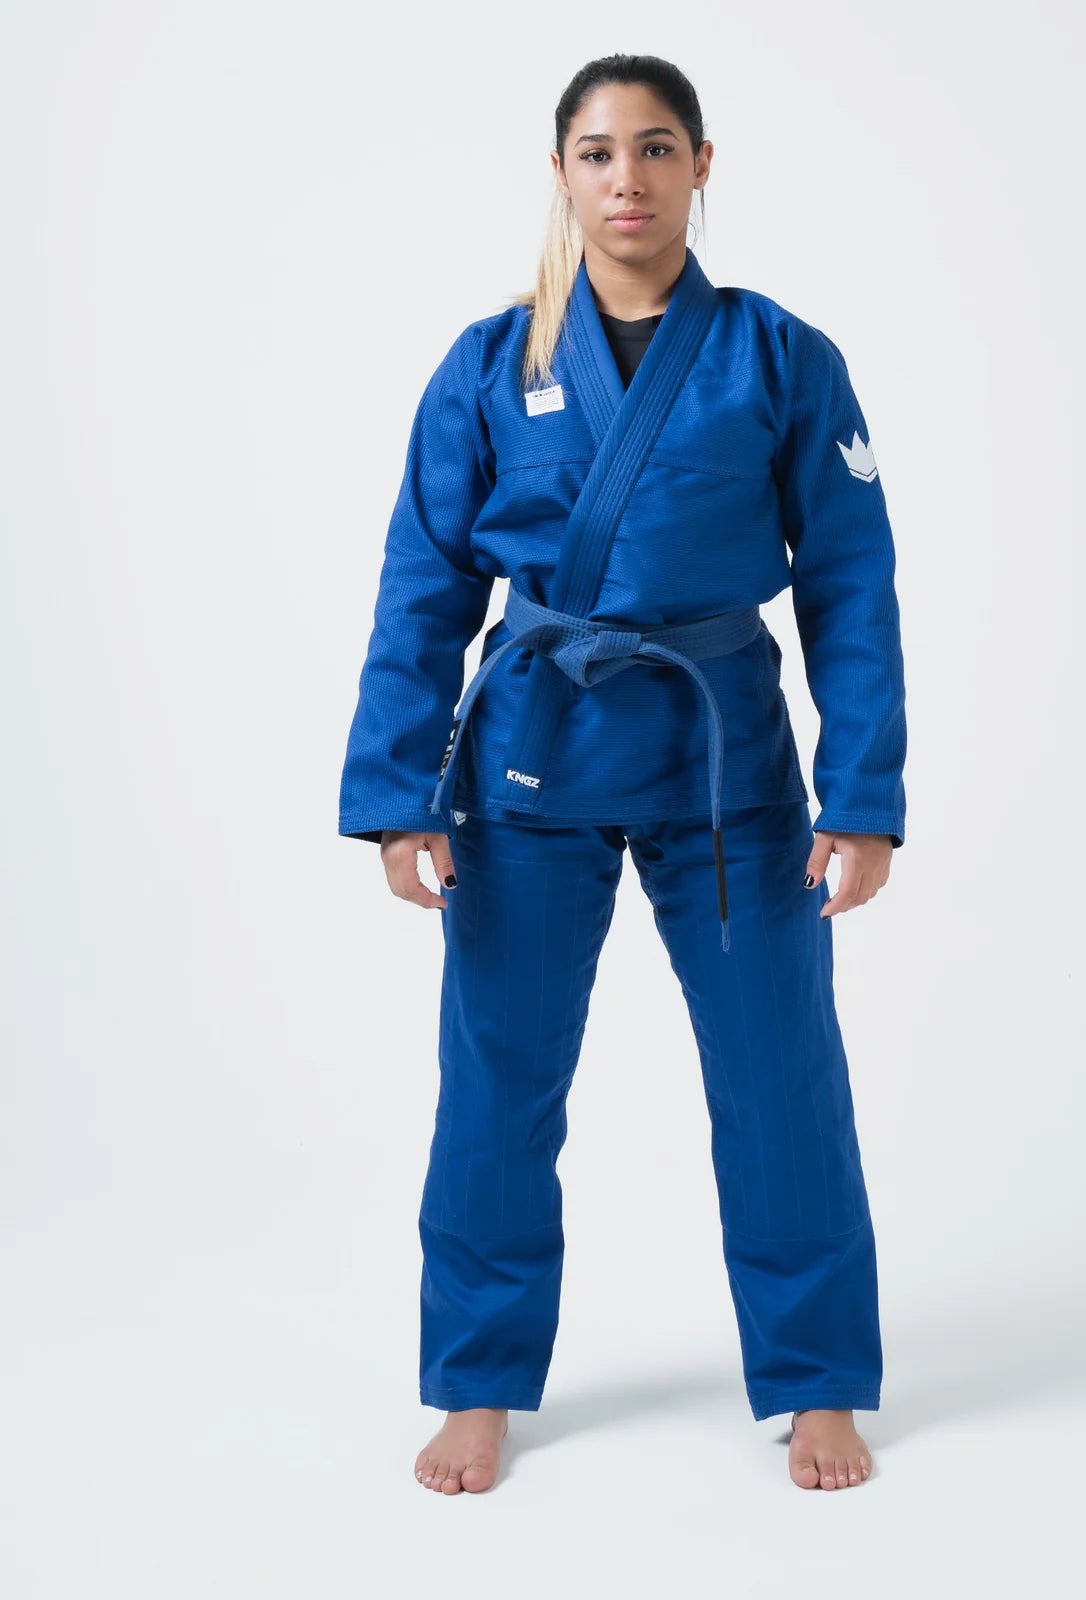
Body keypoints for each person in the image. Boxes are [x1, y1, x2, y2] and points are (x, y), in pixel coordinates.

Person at [337, 53, 908, 1495]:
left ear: (702, 164)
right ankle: (478, 1379)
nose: (628, 180)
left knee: (780, 1076)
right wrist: (398, 793)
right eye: (597, 153)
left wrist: (863, 793)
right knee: (498, 1082)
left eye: (656, 149)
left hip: (728, 768)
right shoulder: (491, 363)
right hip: (533, 762)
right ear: (561, 175)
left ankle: (818, 1378)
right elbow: (423, 581)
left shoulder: (780, 357)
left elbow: (850, 579)